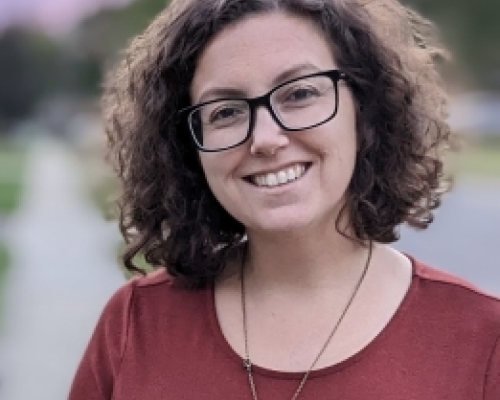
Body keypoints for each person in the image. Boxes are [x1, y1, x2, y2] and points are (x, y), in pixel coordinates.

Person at [68, 0, 500, 399]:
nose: (265, 139)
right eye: (226, 112)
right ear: (187, 149)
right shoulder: (133, 327)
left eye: (299, 93)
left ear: (364, 109)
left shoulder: (482, 340)